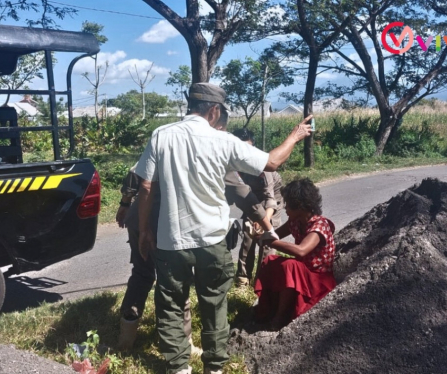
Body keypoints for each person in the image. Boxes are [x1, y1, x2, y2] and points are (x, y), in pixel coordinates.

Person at [135, 82, 312, 374]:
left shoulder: (161, 135)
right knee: (214, 303)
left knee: (170, 304)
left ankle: (179, 368)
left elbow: (145, 185)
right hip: (212, 240)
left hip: (171, 240)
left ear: (189, 105)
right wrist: (295, 135)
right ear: (215, 111)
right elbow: (273, 162)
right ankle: (214, 368)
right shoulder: (223, 141)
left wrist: (144, 230)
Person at [114, 109, 277, 352]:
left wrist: (125, 204)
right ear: (217, 124)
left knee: (142, 274)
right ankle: (183, 344)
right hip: (165, 226)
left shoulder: (166, 137)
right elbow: (245, 196)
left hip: (140, 220)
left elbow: (136, 174)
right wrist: (268, 227)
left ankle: (126, 337)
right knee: (176, 284)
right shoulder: (214, 147)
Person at [254, 177, 337, 331]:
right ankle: (267, 309)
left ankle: (280, 317)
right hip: (303, 274)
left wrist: (269, 241)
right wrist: (260, 234)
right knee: (271, 260)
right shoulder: (296, 222)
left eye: (287, 205)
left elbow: (301, 250)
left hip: (318, 280)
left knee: (291, 266)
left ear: (299, 206)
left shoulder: (320, 225)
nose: (285, 209)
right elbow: (275, 235)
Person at [231, 128, 284, 286]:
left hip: (271, 204)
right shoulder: (234, 165)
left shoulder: (262, 166)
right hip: (252, 201)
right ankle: (242, 279)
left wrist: (264, 220)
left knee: (267, 241)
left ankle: (262, 282)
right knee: (248, 238)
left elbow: (270, 199)